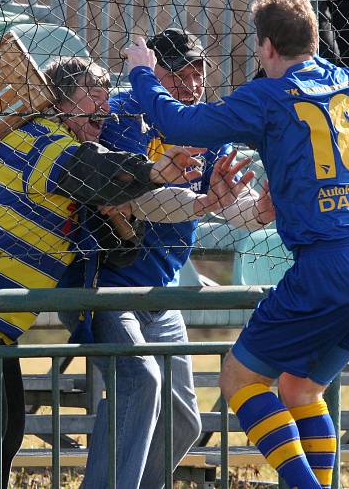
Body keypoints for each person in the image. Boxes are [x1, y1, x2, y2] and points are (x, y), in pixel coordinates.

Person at [124, 0, 349, 489]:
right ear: (313, 41)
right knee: (300, 390)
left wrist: (143, 72)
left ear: (267, 47)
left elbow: (178, 123)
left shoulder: (270, 97)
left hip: (327, 267)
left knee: (239, 379)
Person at [0, 56, 215, 489]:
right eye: (92, 96)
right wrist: (153, 171)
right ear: (58, 102)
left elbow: (112, 251)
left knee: (2, 432)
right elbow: (90, 169)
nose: (105, 109)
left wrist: (122, 222)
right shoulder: (40, 140)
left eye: (107, 98)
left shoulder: (67, 166)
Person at [58, 28, 275, 489]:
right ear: (151, 72)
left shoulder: (201, 124)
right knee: (140, 383)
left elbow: (224, 200)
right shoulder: (120, 116)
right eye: (177, 72)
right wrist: (202, 204)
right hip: (104, 282)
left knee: (183, 421)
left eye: (197, 72)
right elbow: (134, 199)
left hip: (161, 289)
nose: (190, 83)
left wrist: (258, 212)